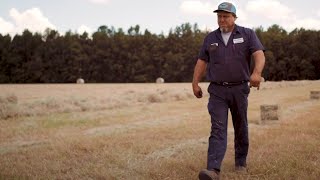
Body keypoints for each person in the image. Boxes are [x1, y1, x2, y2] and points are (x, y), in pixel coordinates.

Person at [192, 2, 265, 180]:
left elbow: (259, 54)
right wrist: (195, 82)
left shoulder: (247, 34)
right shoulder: (210, 38)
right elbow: (202, 61)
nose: (222, 19)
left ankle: (240, 162)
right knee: (218, 128)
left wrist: (256, 73)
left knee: (241, 126)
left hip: (240, 88)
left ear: (234, 17)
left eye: (225, 16)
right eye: (219, 16)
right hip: (217, 90)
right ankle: (213, 170)